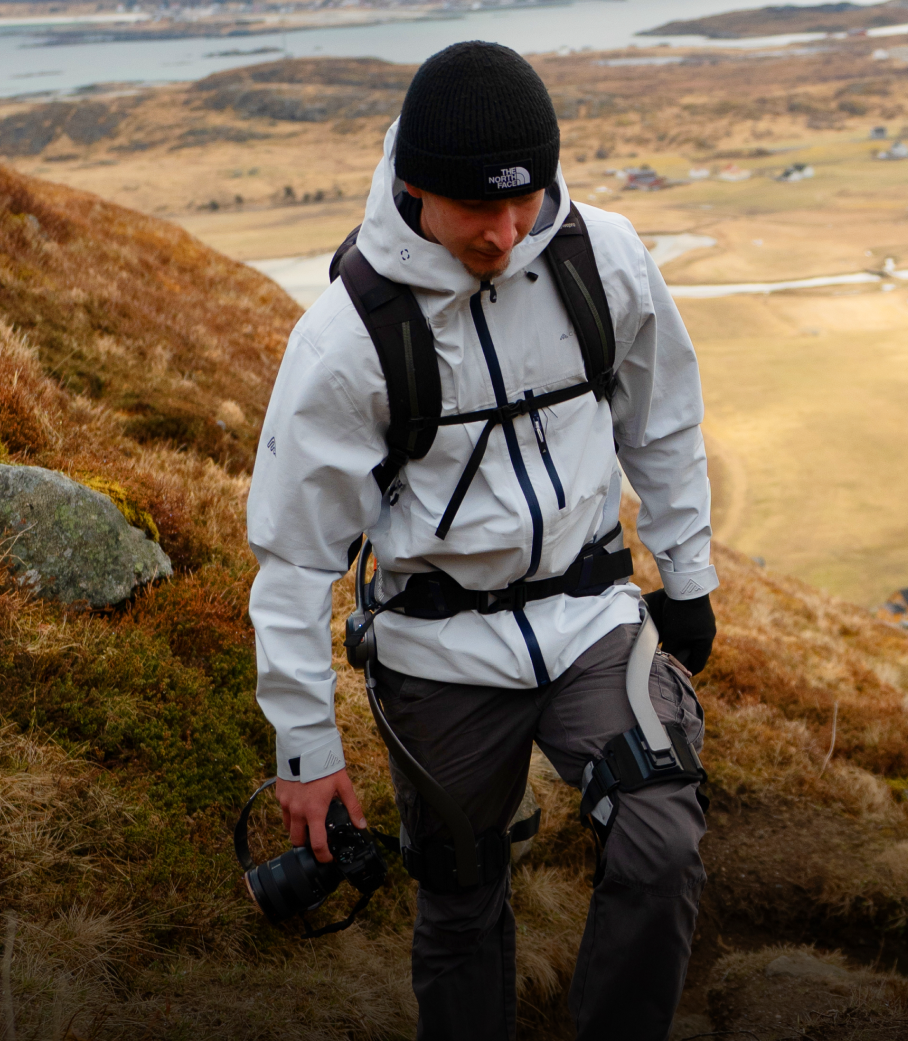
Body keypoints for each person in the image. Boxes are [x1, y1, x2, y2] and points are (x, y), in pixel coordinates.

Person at [247, 40, 717, 1040]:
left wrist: (689, 579)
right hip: (436, 654)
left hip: (592, 620)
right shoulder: (347, 338)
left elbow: (662, 424)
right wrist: (306, 749)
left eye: (524, 199)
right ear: (416, 186)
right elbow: (292, 560)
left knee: (661, 837)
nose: (504, 233)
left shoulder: (604, 257)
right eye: (474, 207)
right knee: (460, 901)